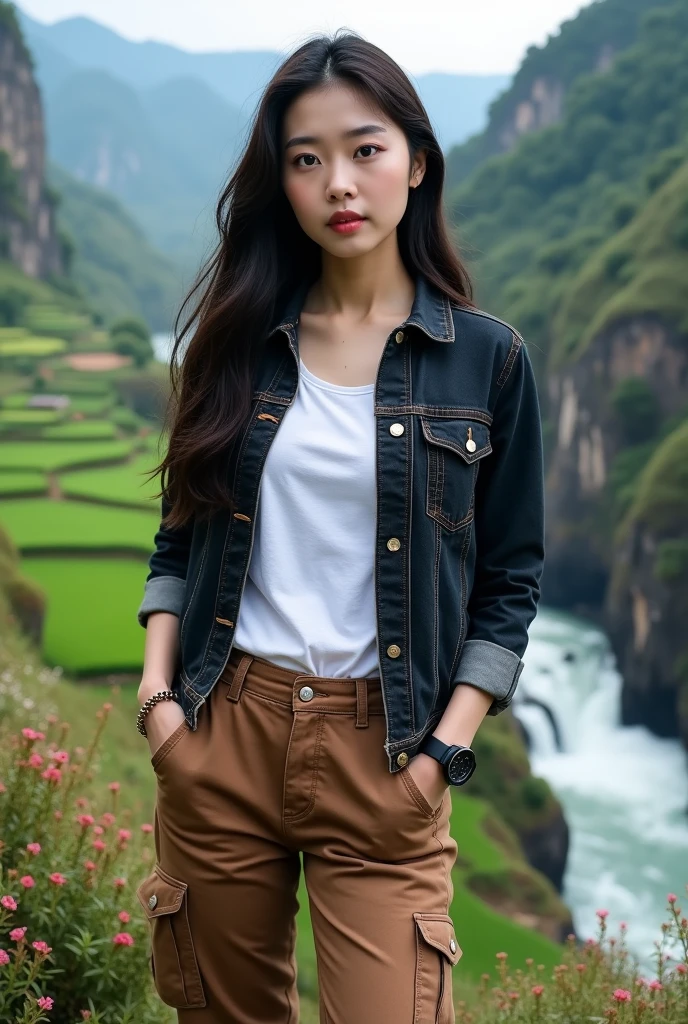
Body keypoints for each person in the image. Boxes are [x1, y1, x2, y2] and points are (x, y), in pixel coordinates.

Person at [133, 28, 545, 1024]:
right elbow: (179, 538)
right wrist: (160, 707)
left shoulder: (485, 359)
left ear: (416, 158)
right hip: (223, 727)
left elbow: (511, 582)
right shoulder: (236, 344)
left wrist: (437, 759)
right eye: (306, 160)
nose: (339, 183)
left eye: (364, 149)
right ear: (283, 185)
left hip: (386, 747)